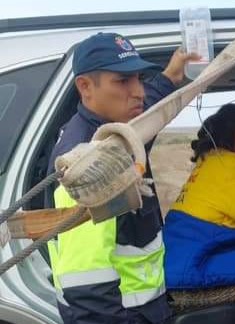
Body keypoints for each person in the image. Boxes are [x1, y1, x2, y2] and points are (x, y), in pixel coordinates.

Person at [46, 32, 198, 324]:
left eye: (139, 78)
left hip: (145, 310)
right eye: (122, 81)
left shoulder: (120, 130)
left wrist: (170, 76)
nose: (138, 91)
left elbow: (149, 103)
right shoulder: (86, 163)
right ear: (85, 87)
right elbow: (86, 287)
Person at [163, 103, 235, 289]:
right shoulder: (229, 170)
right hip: (195, 264)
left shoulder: (211, 163)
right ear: (227, 141)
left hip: (177, 262)